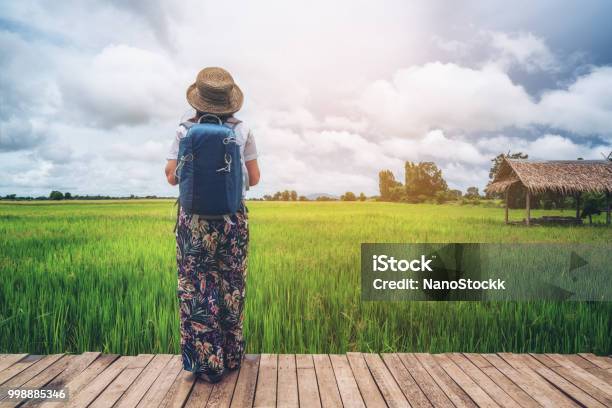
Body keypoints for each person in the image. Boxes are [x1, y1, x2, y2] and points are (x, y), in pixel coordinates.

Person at [164, 67, 260, 383]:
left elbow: (171, 176)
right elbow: (256, 178)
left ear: (199, 99)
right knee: (231, 286)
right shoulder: (242, 130)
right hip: (233, 220)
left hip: (193, 222)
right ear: (230, 102)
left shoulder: (184, 130)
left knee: (196, 290)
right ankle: (232, 358)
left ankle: (208, 365)